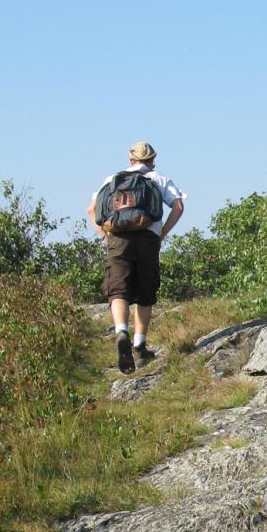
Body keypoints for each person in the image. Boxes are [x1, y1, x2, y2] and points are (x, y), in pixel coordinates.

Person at [87, 141, 186, 373]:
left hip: (118, 239)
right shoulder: (158, 179)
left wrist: (105, 235)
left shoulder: (112, 180)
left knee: (118, 290)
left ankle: (121, 330)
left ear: (130, 160)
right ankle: (140, 347)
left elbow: (92, 210)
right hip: (148, 239)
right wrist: (161, 233)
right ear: (152, 160)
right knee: (145, 293)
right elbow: (179, 206)